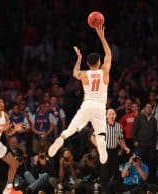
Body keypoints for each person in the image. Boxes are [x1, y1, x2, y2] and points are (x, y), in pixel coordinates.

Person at [48, 25, 111, 165]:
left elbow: (74, 73)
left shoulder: (85, 74)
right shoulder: (104, 72)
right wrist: (101, 36)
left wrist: (79, 58)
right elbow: (109, 55)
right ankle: (101, 147)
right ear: (99, 63)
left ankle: (61, 138)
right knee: (100, 134)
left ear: (88, 64)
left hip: (87, 104)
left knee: (71, 129)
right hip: (100, 107)